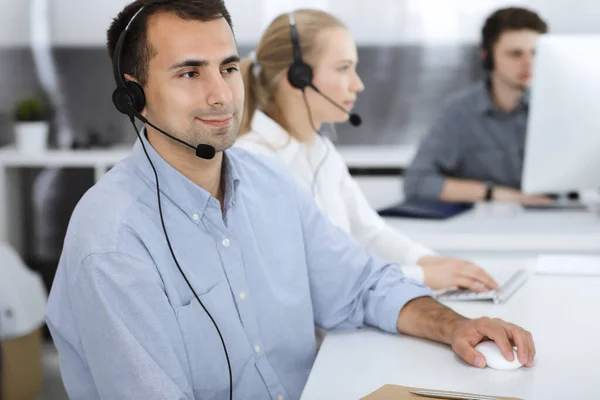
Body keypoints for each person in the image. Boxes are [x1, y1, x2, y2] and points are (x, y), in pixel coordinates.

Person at [45, 1, 535, 399]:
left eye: (228, 67)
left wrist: (456, 327)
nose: (221, 95)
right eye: (190, 74)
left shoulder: (270, 182)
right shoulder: (113, 239)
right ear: (134, 97)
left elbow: (361, 286)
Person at [235, 9, 497, 292]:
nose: (358, 84)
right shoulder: (255, 164)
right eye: (343, 68)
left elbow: (369, 233)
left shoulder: (321, 152)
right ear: (298, 78)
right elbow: (316, 274)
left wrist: (436, 264)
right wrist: (421, 276)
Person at [404, 7, 553, 205]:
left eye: (535, 53)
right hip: (486, 225)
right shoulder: (459, 113)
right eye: (515, 54)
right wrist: (497, 194)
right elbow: (417, 183)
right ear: (488, 57)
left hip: (555, 219)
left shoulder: (557, 108)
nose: (529, 63)